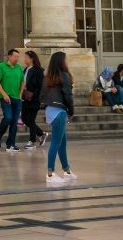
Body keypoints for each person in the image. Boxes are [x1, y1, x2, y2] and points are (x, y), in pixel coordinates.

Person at [40, 51, 76, 184]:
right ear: (62, 62)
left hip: (50, 110)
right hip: (60, 111)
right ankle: (50, 173)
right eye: (66, 60)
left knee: (62, 141)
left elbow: (41, 96)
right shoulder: (64, 76)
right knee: (56, 142)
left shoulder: (47, 77)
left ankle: (67, 170)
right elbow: (68, 96)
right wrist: (71, 111)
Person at [0, 49, 24, 151]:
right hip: (5, 97)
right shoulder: (1, 66)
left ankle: (11, 144)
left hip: (17, 98)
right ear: (9, 56)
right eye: (15, 56)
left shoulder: (19, 68)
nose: (17, 59)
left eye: (18, 57)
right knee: (8, 117)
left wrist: (20, 94)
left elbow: (23, 81)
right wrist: (4, 94)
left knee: (14, 121)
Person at [21, 50, 45, 149]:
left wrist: (35, 95)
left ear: (31, 58)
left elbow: (41, 86)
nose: (24, 59)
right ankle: (41, 134)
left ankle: (32, 141)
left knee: (30, 120)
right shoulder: (26, 69)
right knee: (25, 119)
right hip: (26, 98)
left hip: (34, 99)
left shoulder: (38, 70)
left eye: (26, 57)